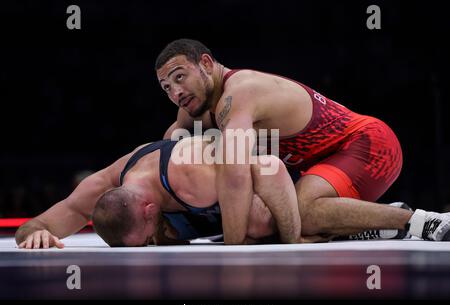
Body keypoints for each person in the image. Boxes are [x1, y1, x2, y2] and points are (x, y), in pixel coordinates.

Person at [155, 39, 450, 244]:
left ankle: (422, 221)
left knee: (298, 215)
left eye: (180, 77)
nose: (176, 92)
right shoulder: (199, 107)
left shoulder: (239, 93)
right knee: (277, 221)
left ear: (206, 63)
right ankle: (361, 225)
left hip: (370, 144)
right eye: (167, 87)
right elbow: (166, 151)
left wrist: (234, 245)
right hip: (332, 161)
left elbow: (235, 173)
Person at [15, 136, 311, 249]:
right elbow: (38, 223)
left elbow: (270, 167)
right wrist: (33, 234)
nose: (146, 246)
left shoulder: (193, 169)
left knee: (260, 222)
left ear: (148, 210)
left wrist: (292, 239)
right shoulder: (105, 184)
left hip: (289, 180)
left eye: (142, 240)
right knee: (166, 236)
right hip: (204, 212)